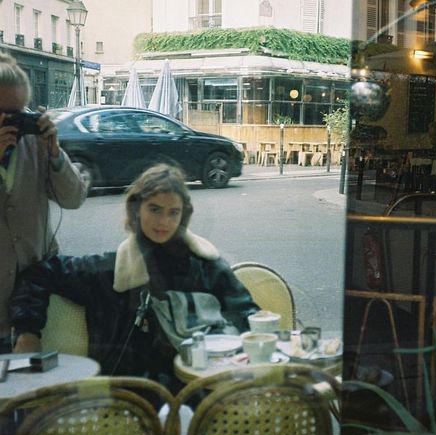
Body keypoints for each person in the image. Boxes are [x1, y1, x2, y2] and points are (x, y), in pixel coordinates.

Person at [10, 163, 259, 392]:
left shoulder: (206, 265)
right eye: (155, 209)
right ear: (136, 208)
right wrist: (27, 332)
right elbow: (39, 273)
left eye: (173, 212)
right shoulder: (110, 270)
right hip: (134, 397)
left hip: (206, 390)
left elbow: (247, 313)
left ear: (183, 215)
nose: (164, 221)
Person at [0, 52, 87, 353]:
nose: (12, 123)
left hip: (34, 298)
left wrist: (54, 153)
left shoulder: (33, 142)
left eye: (19, 114)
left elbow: (74, 198)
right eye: (4, 114)